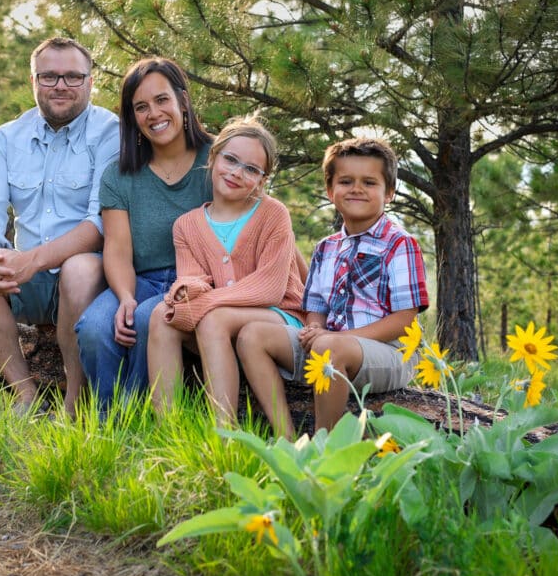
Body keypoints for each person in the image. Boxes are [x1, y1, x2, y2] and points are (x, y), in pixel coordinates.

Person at [0, 37, 119, 417]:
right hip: (25, 282)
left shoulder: (110, 133)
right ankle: (25, 394)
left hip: (87, 281)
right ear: (33, 81)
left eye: (73, 76)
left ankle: (75, 406)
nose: (61, 85)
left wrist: (31, 261)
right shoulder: (8, 137)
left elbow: (100, 223)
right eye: (50, 76)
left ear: (91, 82)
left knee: (80, 266)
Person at [237, 137, 429, 437]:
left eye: (369, 182)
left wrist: (336, 339)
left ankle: (326, 445)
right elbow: (316, 309)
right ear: (330, 191)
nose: (356, 189)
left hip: (389, 353)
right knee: (252, 335)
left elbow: (404, 321)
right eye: (346, 181)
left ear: (389, 192)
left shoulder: (400, 244)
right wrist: (315, 329)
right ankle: (287, 438)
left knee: (329, 347)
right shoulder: (327, 248)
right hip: (330, 349)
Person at [148, 115, 306, 426]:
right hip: (218, 319)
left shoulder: (273, 214)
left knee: (213, 317)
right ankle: (168, 428)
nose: (236, 173)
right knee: (160, 316)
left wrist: (205, 302)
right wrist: (187, 292)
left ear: (262, 180)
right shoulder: (187, 225)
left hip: (278, 316)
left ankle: (224, 433)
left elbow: (270, 288)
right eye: (230, 159)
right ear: (213, 157)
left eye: (251, 169)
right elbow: (194, 280)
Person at [76, 57, 214, 411]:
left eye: (161, 100)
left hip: (198, 283)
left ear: (183, 100)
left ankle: (138, 417)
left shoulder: (217, 159)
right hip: (141, 280)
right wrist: (124, 296)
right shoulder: (119, 175)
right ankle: (106, 424)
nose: (154, 113)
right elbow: (118, 251)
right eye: (141, 107)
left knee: (144, 319)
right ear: (132, 118)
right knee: (94, 326)